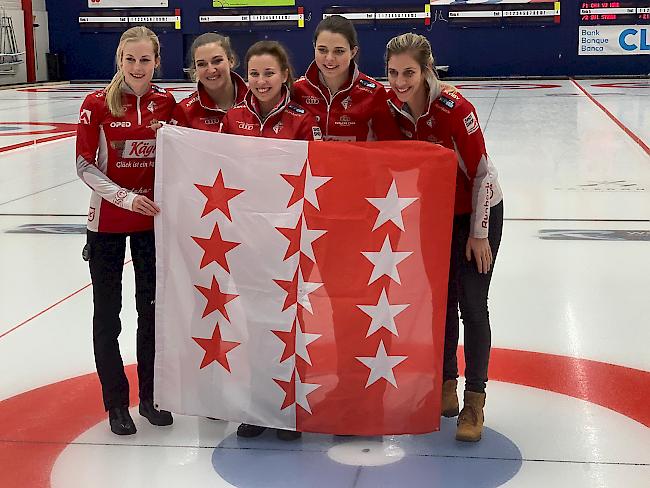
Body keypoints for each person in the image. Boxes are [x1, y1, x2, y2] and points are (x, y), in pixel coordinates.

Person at [385, 33, 504, 442]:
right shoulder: (393, 111)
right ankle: (446, 388)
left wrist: (478, 233)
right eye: (394, 72)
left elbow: (483, 175)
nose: (401, 81)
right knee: (441, 305)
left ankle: (474, 400)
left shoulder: (455, 109)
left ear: (427, 70)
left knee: (472, 303)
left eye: (409, 73)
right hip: (435, 217)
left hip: (478, 212)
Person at [76, 26, 176, 436]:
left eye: (145, 59)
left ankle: (151, 398)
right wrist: (125, 198)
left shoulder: (168, 104)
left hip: (153, 226)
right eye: (130, 59)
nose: (137, 67)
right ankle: (116, 404)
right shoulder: (96, 104)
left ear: (157, 62)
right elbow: (84, 165)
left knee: (151, 313)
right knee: (108, 316)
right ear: (119, 60)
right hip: (108, 226)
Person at [221, 41, 320, 441]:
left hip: (291, 237)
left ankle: (290, 407)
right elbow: (220, 169)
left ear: (284, 76)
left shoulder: (302, 119)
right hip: (246, 237)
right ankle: (259, 407)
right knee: (254, 322)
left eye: (269, 73)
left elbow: (318, 173)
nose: (261, 81)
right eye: (255, 73)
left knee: (289, 323)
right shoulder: (233, 117)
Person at [292, 14, 402, 142]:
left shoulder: (374, 93)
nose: (329, 59)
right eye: (322, 50)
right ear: (314, 48)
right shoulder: (298, 91)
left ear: (353, 52)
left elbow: (392, 146)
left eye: (339, 51)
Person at [171, 32, 247, 131]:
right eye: (202, 64)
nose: (211, 70)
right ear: (195, 68)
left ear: (231, 61)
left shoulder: (257, 101)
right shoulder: (184, 111)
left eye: (217, 61)